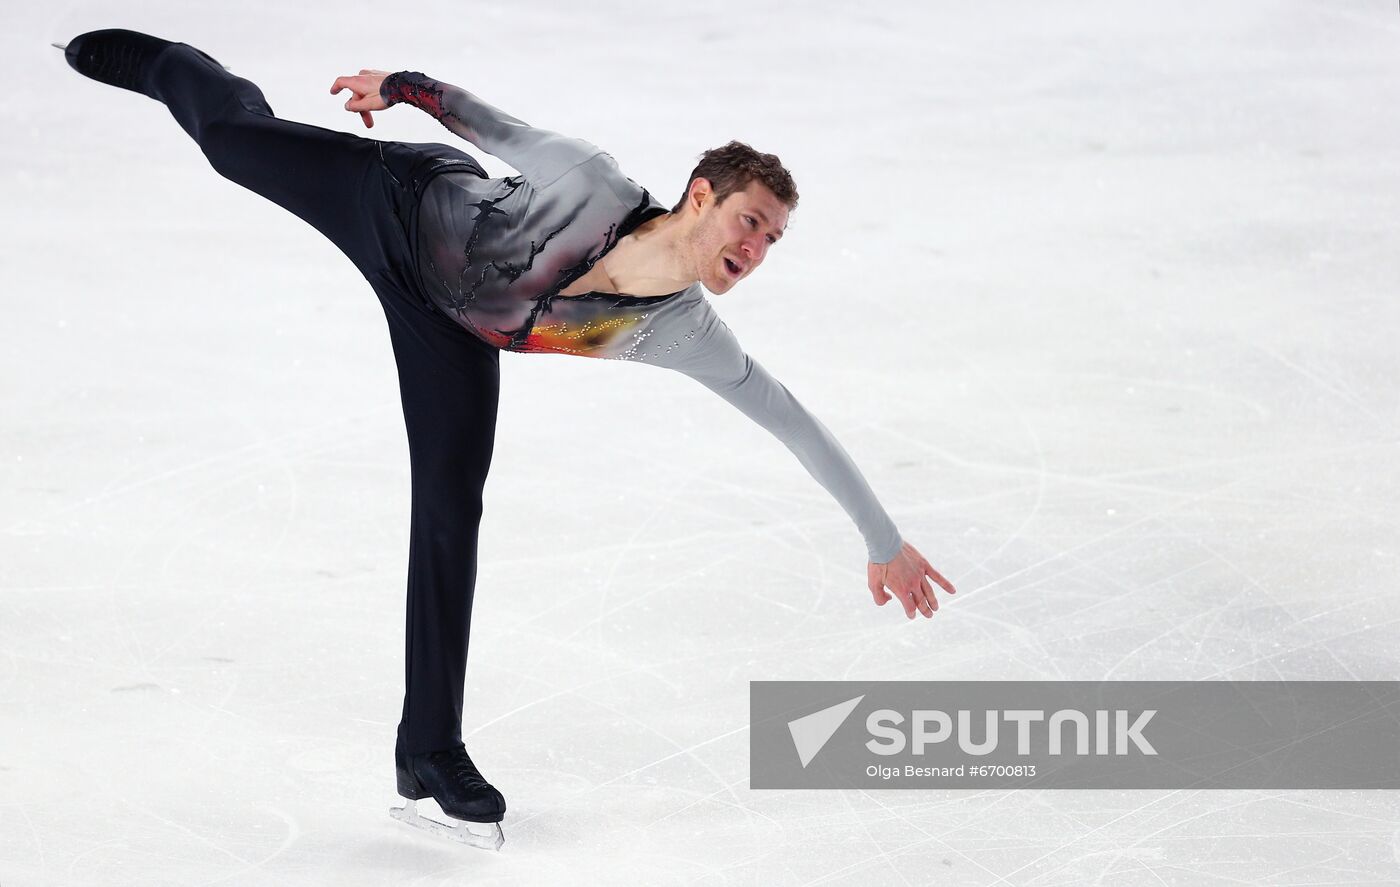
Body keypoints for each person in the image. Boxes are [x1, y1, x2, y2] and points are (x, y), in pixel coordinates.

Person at [58, 28, 958, 849]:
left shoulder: (682, 332)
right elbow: (490, 123)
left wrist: (884, 541)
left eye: (774, 239)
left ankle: (429, 747)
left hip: (449, 329)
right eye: (750, 221)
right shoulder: (592, 182)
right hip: (396, 204)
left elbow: (787, 413)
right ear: (700, 197)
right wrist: (399, 85)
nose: (758, 246)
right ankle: (169, 64)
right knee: (231, 145)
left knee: (451, 513)